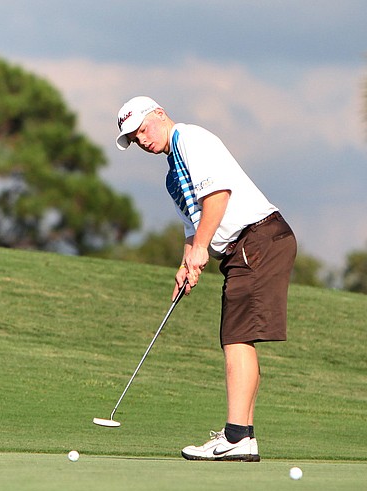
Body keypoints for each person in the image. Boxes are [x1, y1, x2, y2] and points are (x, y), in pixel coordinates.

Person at [115, 96, 297, 461]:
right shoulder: (173, 175)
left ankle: (236, 438)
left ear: (160, 114)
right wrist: (188, 261)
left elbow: (218, 197)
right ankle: (241, 436)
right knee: (237, 337)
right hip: (245, 247)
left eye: (142, 129)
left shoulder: (192, 140)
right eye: (134, 138)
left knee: (236, 337)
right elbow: (195, 224)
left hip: (256, 238)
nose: (141, 140)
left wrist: (201, 250)